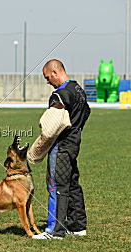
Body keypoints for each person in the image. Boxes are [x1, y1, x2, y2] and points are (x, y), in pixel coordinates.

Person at [32, 59, 90, 240]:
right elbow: (87, 112)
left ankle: (54, 230)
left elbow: (52, 125)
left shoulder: (60, 94)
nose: (47, 81)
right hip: (75, 141)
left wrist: (39, 147)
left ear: (56, 73)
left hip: (62, 144)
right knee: (72, 183)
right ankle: (78, 226)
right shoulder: (78, 89)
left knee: (56, 184)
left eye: (48, 77)